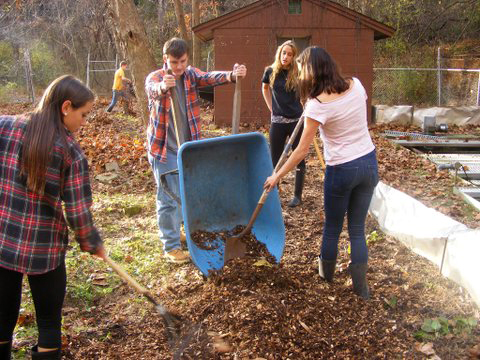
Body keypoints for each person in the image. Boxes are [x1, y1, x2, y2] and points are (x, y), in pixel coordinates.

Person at [0, 75, 105, 360]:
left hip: (3, 244)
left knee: (1, 317)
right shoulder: (71, 152)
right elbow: (78, 212)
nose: (84, 122)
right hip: (43, 251)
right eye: (83, 115)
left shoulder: (6, 126)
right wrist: (91, 242)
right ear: (66, 107)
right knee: (48, 323)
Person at [264, 47, 379, 299]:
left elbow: (300, 151)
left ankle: (325, 280)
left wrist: (277, 176)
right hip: (369, 163)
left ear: (312, 72)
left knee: (333, 228)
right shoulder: (357, 85)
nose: (300, 73)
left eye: (303, 69)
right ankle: (362, 289)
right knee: (357, 228)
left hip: (342, 170)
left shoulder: (317, 105)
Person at [145, 37, 247, 264]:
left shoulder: (190, 75)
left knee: (184, 192)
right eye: (174, 62)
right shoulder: (156, 77)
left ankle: (175, 231)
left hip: (187, 148)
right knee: (168, 197)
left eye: (182, 61)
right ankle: (171, 246)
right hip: (164, 148)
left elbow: (209, 77)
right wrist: (164, 87)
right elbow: (152, 90)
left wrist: (232, 75)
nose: (179, 67)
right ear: (165, 59)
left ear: (187, 58)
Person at [262, 40, 305, 207]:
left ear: (293, 57)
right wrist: (271, 108)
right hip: (278, 121)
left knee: (298, 157)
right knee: (276, 159)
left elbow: (306, 91)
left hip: (296, 120)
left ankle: (297, 196)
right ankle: (275, 194)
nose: (285, 57)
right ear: (279, 53)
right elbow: (264, 88)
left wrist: (305, 104)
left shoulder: (298, 72)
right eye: (283, 53)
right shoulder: (270, 71)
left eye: (289, 54)